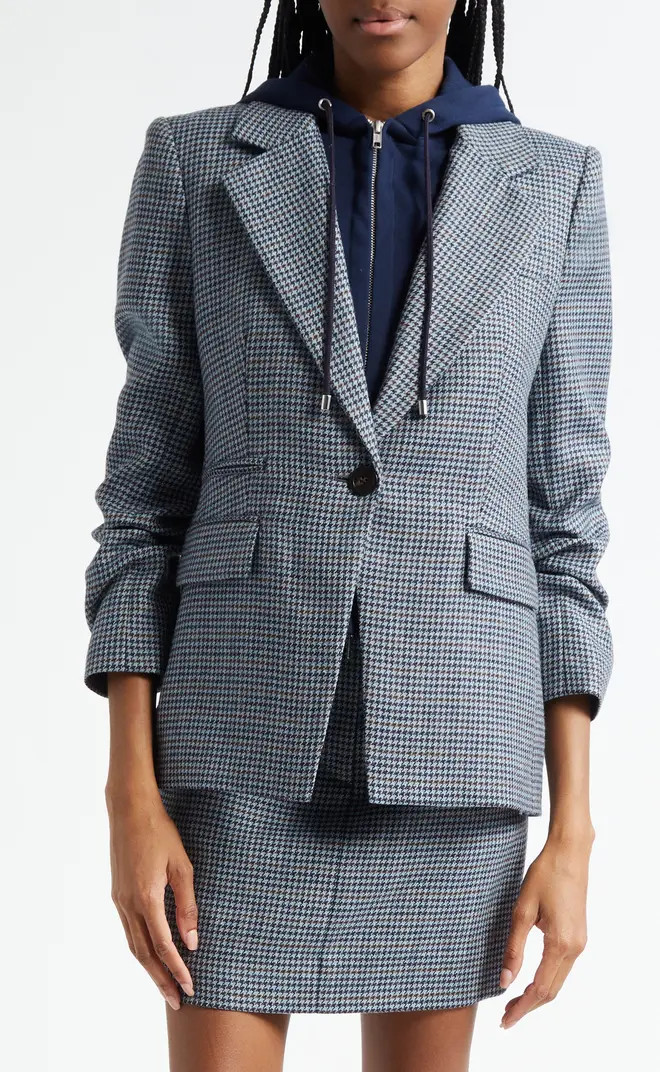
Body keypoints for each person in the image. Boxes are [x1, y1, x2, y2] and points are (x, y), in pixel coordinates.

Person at [84, 2, 614, 1069]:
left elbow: (563, 526)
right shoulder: (196, 163)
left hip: (455, 750)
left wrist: (574, 829)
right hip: (236, 744)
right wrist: (127, 794)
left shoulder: (555, 184)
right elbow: (143, 505)